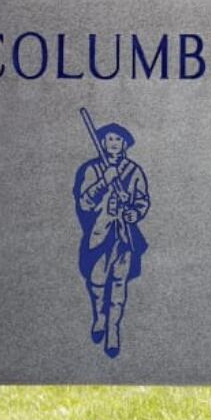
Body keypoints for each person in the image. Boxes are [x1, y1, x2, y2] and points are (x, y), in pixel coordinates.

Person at [73, 123, 150, 358]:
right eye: (108, 140)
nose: (113, 144)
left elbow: (142, 200)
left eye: (117, 139)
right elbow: (84, 203)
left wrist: (134, 213)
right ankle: (100, 316)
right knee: (97, 282)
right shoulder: (92, 170)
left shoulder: (133, 171)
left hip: (123, 237)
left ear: (124, 144)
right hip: (98, 235)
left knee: (119, 284)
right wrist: (104, 182)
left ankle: (114, 330)